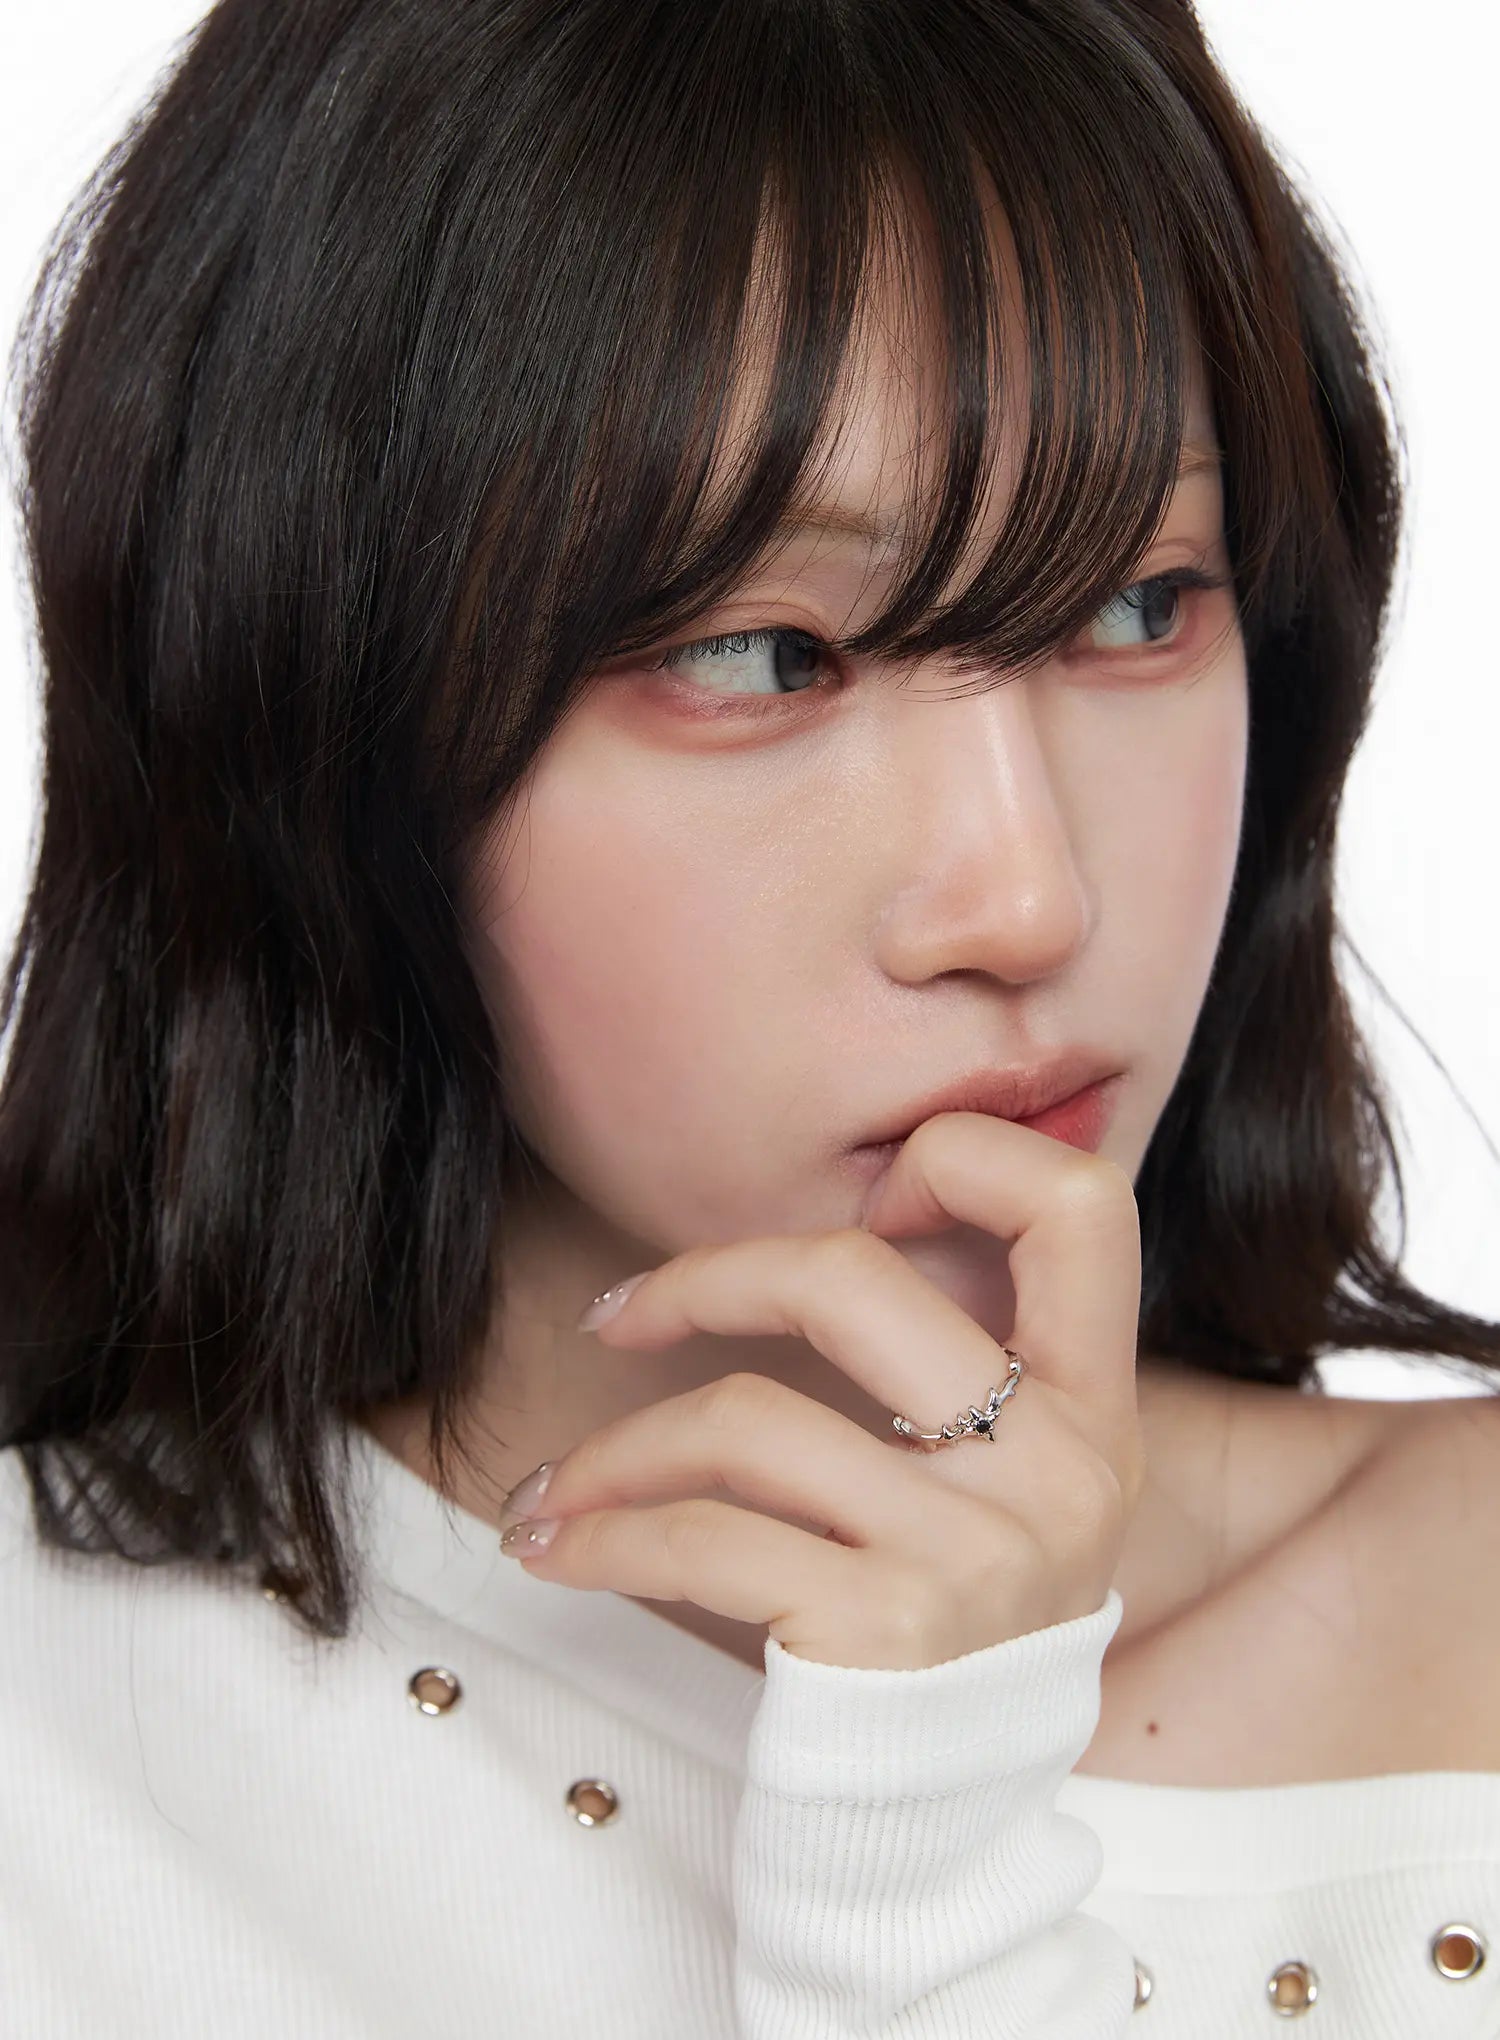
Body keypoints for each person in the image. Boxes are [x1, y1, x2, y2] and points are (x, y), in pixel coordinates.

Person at [1, 0, 1497, 2034]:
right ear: (316, 708)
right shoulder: (58, 1763)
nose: (1028, 897)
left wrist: (936, 1865)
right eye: (768, 654)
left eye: (1136, 604)